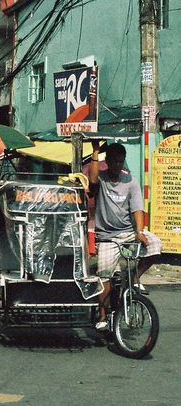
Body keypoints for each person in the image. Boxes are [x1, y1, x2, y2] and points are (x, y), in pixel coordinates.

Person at [89, 141, 162, 331]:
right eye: (114, 162)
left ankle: (132, 279)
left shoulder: (131, 181)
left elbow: (137, 208)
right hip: (106, 237)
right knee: (104, 275)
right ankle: (103, 316)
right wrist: (95, 152)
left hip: (128, 233)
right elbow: (93, 180)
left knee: (155, 245)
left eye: (121, 162)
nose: (117, 166)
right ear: (108, 162)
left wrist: (139, 232)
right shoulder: (102, 179)